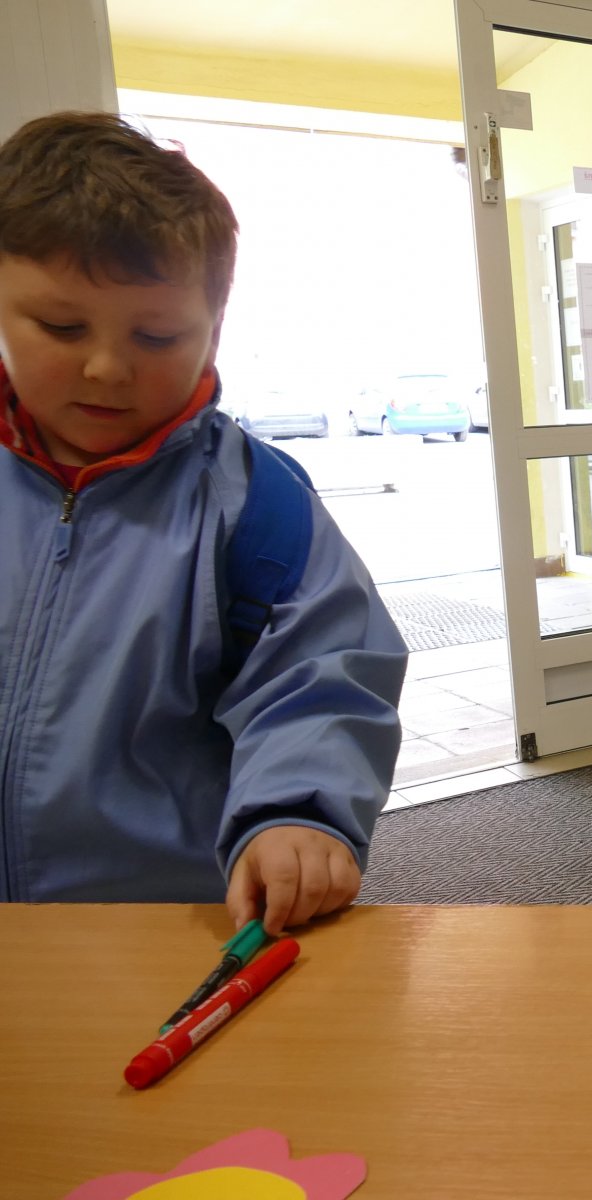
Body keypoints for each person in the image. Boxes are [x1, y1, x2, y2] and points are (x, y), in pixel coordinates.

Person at [0, 111, 407, 932]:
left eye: (157, 335)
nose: (107, 367)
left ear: (214, 332)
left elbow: (321, 675)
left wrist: (295, 813)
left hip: (155, 926)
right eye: (62, 327)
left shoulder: (256, 503)